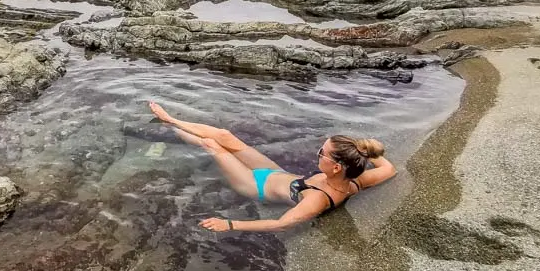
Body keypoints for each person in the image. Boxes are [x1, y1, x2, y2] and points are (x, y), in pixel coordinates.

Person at [148, 101, 396, 233]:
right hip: (274, 172)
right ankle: (170, 120)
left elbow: (281, 224)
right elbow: (388, 168)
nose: (317, 154)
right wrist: (361, 152)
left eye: (322, 153)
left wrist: (230, 224)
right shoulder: (355, 181)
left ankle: (170, 128)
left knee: (212, 145)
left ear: (335, 168)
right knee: (225, 135)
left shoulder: (318, 200)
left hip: (253, 184)